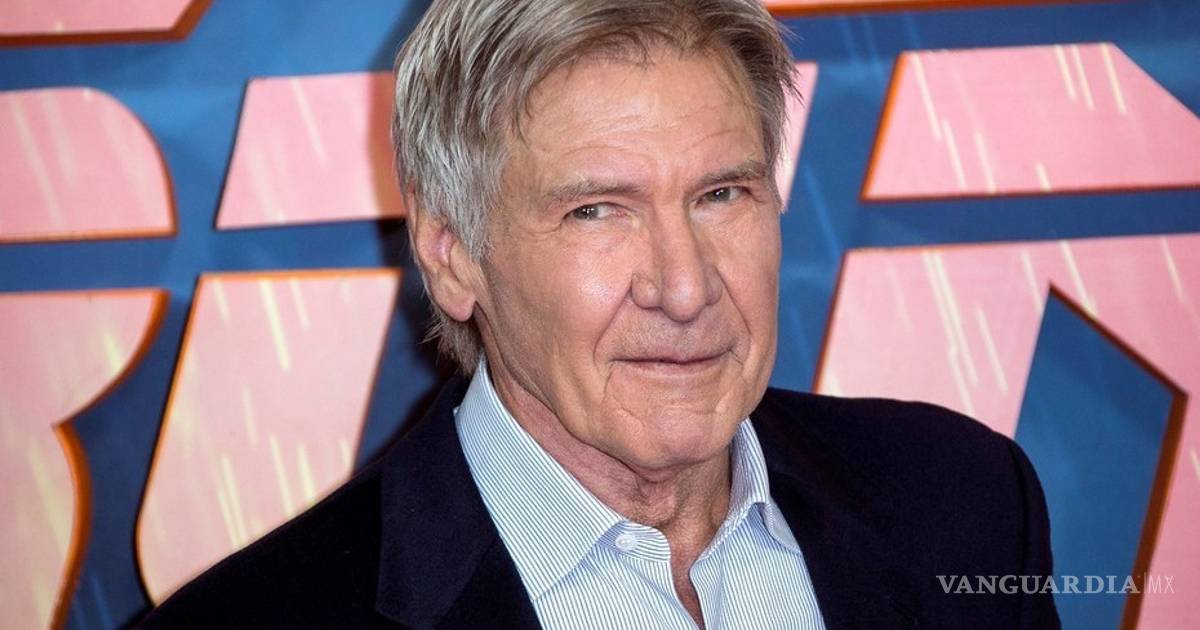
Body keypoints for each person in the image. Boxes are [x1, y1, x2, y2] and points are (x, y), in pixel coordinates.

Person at [139, 1, 1059, 628]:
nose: (685, 288)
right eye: (596, 211)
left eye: (721, 194)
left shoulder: (965, 505)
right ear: (451, 254)